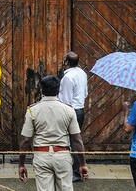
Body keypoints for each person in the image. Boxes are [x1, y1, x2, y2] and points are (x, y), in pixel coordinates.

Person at [19, 75, 89, 191]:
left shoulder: (32, 110)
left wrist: (21, 164)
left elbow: (26, 140)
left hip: (42, 156)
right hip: (63, 156)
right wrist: (82, 163)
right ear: (58, 90)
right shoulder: (69, 110)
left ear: (42, 90)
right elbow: (77, 140)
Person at [58, 51, 88, 182]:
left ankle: (76, 173)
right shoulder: (82, 73)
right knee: (75, 140)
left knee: (72, 142)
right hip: (80, 109)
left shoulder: (68, 78)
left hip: (71, 111)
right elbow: (85, 93)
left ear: (67, 62)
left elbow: (66, 100)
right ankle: (76, 169)